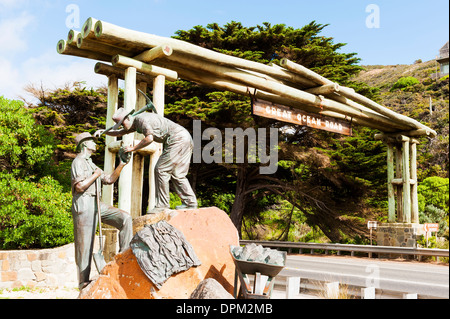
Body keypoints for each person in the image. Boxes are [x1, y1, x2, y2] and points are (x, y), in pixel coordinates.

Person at [95, 108, 198, 213]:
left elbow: (149, 138)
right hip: (185, 138)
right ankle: (190, 203)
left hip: (178, 140)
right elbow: (119, 133)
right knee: (178, 174)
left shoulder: (141, 120)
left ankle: (162, 205)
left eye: (122, 123)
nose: (122, 126)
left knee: (161, 169)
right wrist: (104, 132)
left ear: (127, 118)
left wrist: (133, 148)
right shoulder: (134, 123)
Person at [71, 132, 133, 290]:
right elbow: (79, 187)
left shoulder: (91, 164)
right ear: (85, 144)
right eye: (92, 141)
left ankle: (123, 258)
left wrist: (122, 164)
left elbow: (110, 179)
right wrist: (95, 175)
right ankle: (83, 282)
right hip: (84, 203)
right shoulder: (78, 161)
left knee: (125, 219)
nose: (95, 143)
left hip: (96, 203)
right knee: (85, 246)